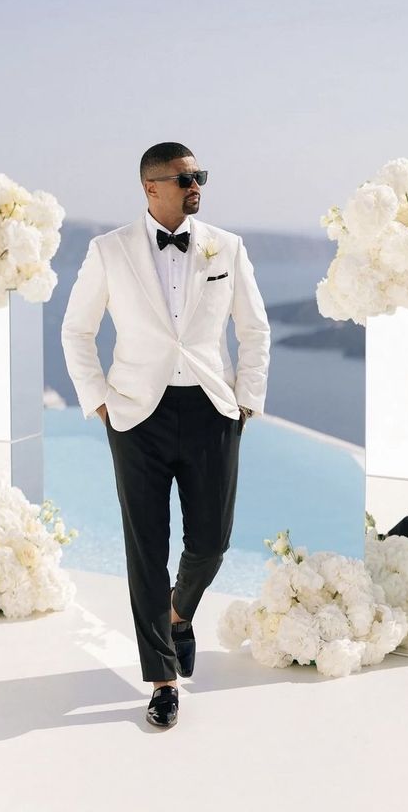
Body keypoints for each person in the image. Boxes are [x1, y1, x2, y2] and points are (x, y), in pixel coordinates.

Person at [61, 142, 270, 727]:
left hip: (211, 411)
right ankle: (161, 678)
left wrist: (246, 401)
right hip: (136, 416)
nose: (196, 184)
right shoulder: (109, 250)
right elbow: (77, 331)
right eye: (185, 177)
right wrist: (98, 399)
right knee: (145, 549)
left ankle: (180, 614)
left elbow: (254, 329)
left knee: (211, 542)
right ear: (151, 187)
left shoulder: (227, 247)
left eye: (200, 175)